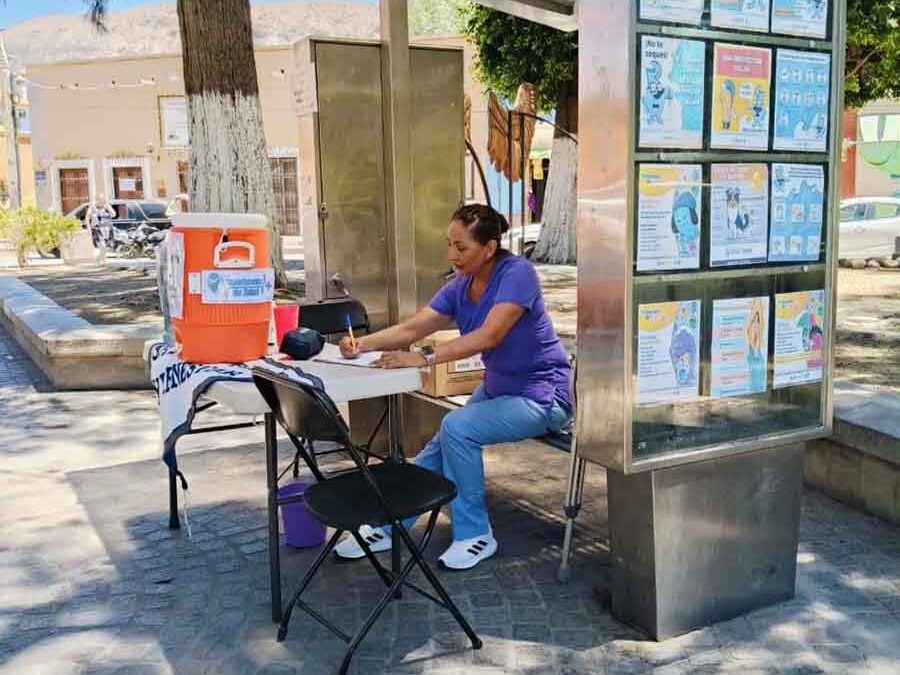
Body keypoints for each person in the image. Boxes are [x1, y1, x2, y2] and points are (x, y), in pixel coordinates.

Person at [334, 203, 572, 570]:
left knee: (457, 428)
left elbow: (489, 336)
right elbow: (416, 327)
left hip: (543, 395)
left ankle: (476, 535)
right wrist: (362, 344)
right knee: (440, 445)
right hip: (499, 388)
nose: (453, 255)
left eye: (462, 248)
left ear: (489, 248)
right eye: (449, 245)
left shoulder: (518, 274)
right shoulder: (460, 286)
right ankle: (390, 525)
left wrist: (425, 357)